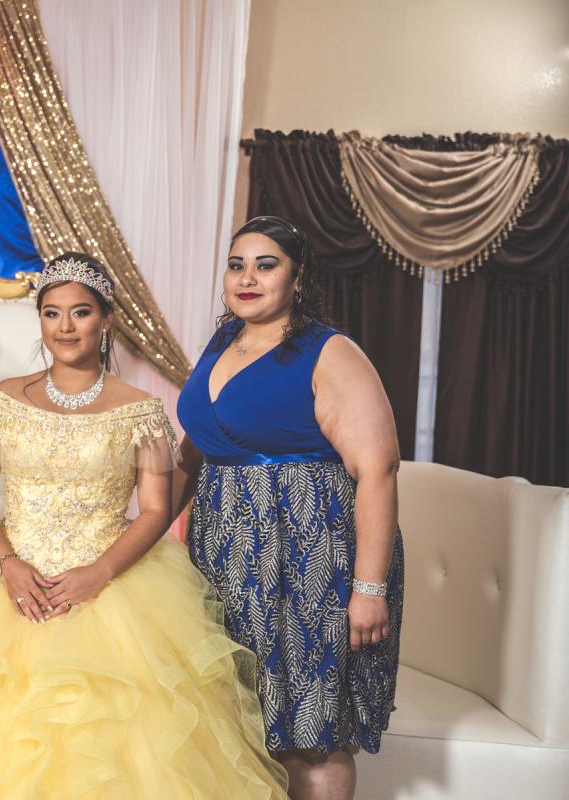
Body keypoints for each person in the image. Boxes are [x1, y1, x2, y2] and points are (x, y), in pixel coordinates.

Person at [0, 253, 287, 798]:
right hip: (8, 582)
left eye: (81, 312)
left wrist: (99, 573)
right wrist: (7, 565)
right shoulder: (5, 400)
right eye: (52, 313)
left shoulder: (141, 411)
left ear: (106, 320)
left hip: (112, 586)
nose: (65, 327)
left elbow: (156, 511)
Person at [177, 216, 405, 800]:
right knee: (240, 720)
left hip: (308, 555)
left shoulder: (328, 351)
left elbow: (378, 470)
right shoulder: (223, 343)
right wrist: (155, 528)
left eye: (266, 265)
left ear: (297, 278)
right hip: (227, 557)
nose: (247, 278)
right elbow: (198, 446)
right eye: (236, 266)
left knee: (311, 732)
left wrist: (369, 588)